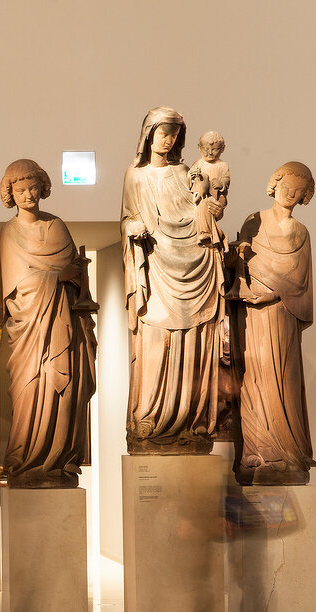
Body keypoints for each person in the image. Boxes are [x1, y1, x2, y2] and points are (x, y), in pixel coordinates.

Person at [121, 107, 226, 454]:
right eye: (162, 133)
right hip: (156, 268)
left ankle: (190, 421)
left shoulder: (186, 172)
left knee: (193, 343)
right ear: (148, 134)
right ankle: (149, 416)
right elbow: (128, 219)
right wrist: (131, 228)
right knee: (155, 342)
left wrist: (210, 209)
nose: (167, 141)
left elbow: (204, 208)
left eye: (174, 135)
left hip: (194, 263)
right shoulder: (136, 177)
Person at [0, 159, 97, 487]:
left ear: (43, 187)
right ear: (10, 193)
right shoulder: (11, 232)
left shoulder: (58, 227)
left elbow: (77, 275)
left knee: (66, 391)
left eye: (32, 187)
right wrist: (57, 277)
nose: (28, 194)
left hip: (65, 322)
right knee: (32, 388)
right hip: (32, 331)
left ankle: (60, 462)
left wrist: (76, 277)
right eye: (20, 189)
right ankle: (28, 462)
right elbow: (16, 288)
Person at [231, 161, 316, 485]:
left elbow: (299, 281)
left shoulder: (301, 232)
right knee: (255, 378)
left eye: (298, 192)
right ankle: (257, 453)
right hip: (255, 316)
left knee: (283, 380)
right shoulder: (255, 221)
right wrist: (247, 281)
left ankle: (287, 452)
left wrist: (272, 292)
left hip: (282, 315)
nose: (291, 195)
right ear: (275, 184)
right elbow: (241, 266)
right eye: (287, 187)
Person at [189, 130, 230, 248]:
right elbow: (190, 181)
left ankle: (208, 234)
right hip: (200, 198)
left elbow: (226, 180)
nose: (210, 153)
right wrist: (192, 176)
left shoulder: (223, 166)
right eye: (206, 149)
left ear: (223, 149)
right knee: (203, 205)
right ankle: (206, 233)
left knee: (208, 206)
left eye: (214, 149)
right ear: (199, 148)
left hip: (217, 198)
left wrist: (221, 183)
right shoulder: (198, 164)